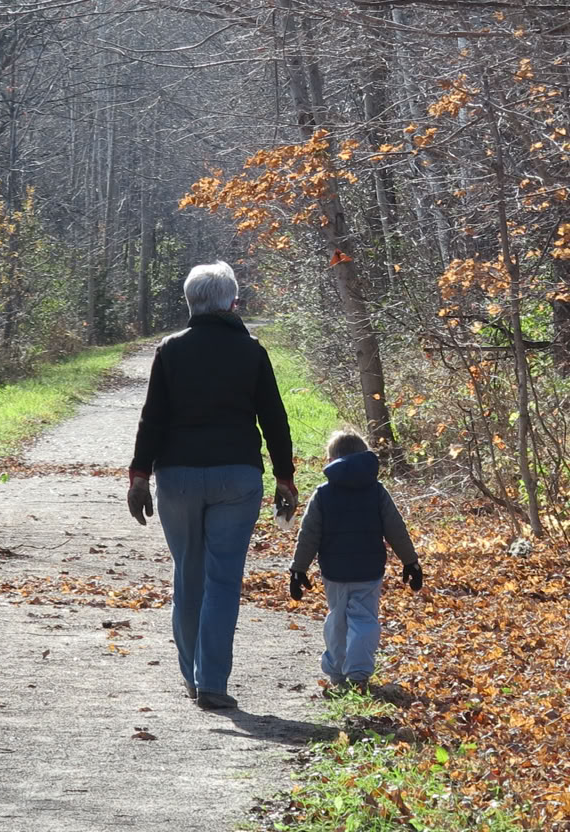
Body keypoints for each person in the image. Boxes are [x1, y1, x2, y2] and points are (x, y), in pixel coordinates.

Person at [127, 260, 298, 711]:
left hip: (178, 476)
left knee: (189, 575)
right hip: (237, 478)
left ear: (190, 302)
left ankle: (189, 675)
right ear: (231, 302)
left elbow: (152, 419)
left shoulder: (170, 350)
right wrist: (285, 477)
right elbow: (274, 419)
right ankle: (212, 682)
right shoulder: (252, 351)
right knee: (222, 581)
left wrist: (139, 476)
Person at [288, 429, 422, 691]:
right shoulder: (377, 492)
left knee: (337, 619)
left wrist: (298, 568)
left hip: (334, 571)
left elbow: (309, 534)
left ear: (331, 460)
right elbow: (396, 528)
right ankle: (359, 672)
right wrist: (410, 561)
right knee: (364, 619)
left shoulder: (323, 494)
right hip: (369, 570)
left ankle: (337, 672)